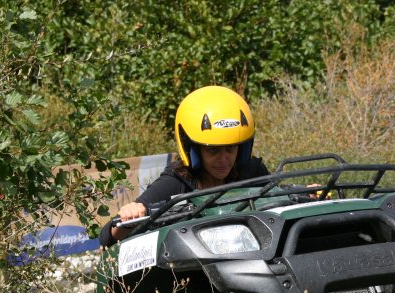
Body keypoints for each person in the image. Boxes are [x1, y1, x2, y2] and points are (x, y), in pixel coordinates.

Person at [100, 85, 269, 247]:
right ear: (194, 149)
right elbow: (107, 237)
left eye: (230, 148)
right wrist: (130, 216)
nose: (224, 159)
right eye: (213, 150)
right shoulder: (177, 181)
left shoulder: (252, 172)